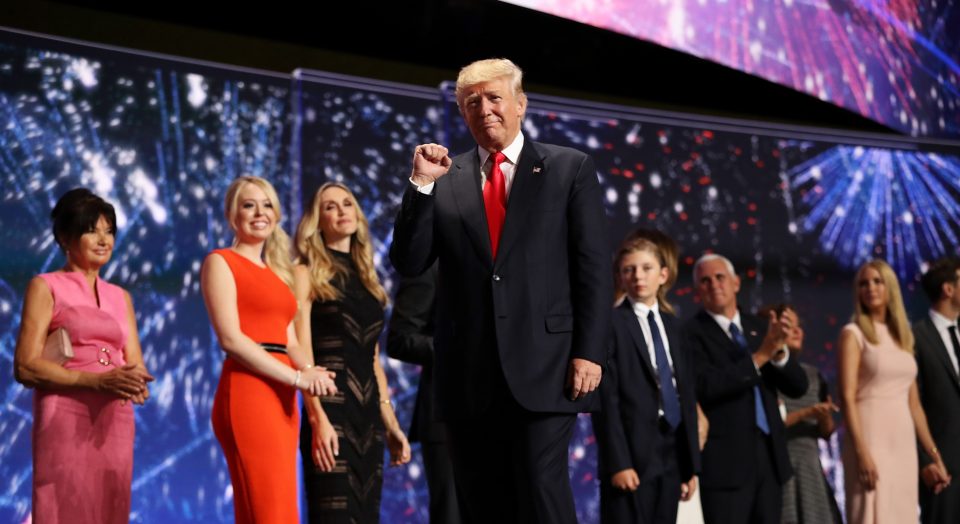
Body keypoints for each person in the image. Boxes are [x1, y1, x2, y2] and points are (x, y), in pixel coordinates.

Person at [389, 57, 611, 523]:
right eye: (473, 102)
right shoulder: (444, 179)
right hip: (468, 374)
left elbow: (591, 267)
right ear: (463, 113)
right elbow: (410, 261)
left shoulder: (568, 168)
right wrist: (421, 187)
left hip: (546, 366)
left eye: (495, 98)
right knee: (481, 503)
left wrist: (589, 352)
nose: (485, 109)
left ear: (520, 104)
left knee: (540, 489)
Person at [14, 188, 154, 524]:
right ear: (65, 236)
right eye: (92, 230)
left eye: (109, 231)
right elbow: (25, 366)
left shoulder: (121, 296)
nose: (103, 239)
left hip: (115, 417)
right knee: (64, 503)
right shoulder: (45, 285)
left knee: (110, 506)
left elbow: (134, 360)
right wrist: (94, 381)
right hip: (66, 413)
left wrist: (138, 383)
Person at [201, 176, 336, 524]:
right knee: (265, 510)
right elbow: (230, 338)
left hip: (282, 398)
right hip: (248, 392)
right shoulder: (220, 261)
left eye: (266, 205)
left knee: (278, 507)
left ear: (276, 215)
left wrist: (311, 372)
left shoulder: (278, 275)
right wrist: (296, 377)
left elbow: (289, 340)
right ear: (233, 215)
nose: (259, 212)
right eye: (249, 205)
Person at [294, 182, 411, 523]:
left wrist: (391, 425)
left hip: (368, 418)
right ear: (318, 221)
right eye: (330, 206)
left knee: (365, 514)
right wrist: (317, 419)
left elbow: (372, 359)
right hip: (330, 409)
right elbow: (301, 350)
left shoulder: (368, 279)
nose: (342, 211)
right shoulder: (304, 273)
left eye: (347, 203)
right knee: (333, 513)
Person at [685, 254, 808, 524]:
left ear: (736, 283)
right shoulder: (689, 334)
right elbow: (705, 386)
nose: (714, 284)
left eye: (720, 277)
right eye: (705, 281)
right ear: (697, 291)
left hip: (769, 459)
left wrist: (778, 356)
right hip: (725, 464)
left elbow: (798, 386)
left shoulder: (761, 327)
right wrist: (761, 356)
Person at [595, 235, 700, 524]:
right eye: (629, 269)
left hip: (671, 450)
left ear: (663, 274)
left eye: (646, 268)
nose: (638, 276)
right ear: (619, 276)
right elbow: (607, 400)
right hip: (631, 451)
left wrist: (689, 464)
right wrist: (618, 463)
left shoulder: (675, 327)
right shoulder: (611, 323)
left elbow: (685, 394)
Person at [839, 259, 949, 524]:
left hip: (902, 443)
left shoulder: (903, 337)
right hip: (870, 437)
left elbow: (914, 405)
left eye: (877, 281)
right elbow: (847, 396)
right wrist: (862, 451)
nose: (871, 288)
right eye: (864, 283)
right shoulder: (853, 334)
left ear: (890, 287)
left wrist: (935, 455)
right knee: (870, 513)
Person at [386, 262, 462, 524]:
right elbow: (399, 339)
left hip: (506, 416)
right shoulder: (433, 265)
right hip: (449, 416)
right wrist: (460, 349)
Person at [758, 304, 841, 524]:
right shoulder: (762, 373)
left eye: (798, 326)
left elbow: (826, 431)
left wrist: (823, 417)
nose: (796, 331)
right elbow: (768, 423)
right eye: (789, 326)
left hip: (810, 469)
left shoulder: (815, 375)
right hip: (779, 466)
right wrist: (807, 412)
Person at [914, 257, 960, 524]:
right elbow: (911, 405)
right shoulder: (916, 337)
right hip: (943, 470)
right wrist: (924, 461)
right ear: (948, 289)